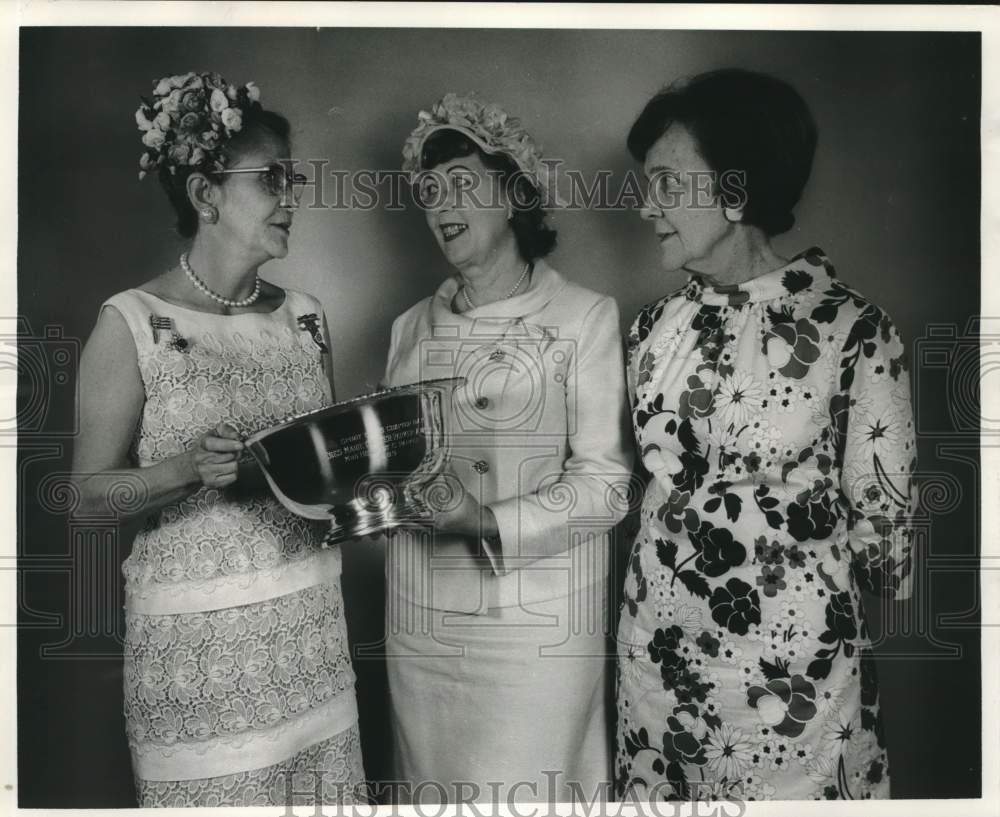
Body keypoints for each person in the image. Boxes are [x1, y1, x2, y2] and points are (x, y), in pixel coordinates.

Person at [615, 69, 917, 801]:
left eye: (666, 182)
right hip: (659, 678)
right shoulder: (651, 327)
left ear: (736, 189)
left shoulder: (855, 332)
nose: (646, 205)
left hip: (796, 695)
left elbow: (887, 553)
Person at [72, 71, 366, 807]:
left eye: (291, 179)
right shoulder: (131, 321)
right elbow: (85, 500)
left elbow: (320, 488)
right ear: (206, 195)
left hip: (313, 648)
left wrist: (365, 479)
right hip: (203, 671)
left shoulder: (306, 316)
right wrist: (180, 469)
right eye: (271, 179)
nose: (292, 197)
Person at [381, 93, 634, 803]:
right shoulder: (407, 328)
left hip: (535, 634)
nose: (441, 204)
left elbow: (606, 483)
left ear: (515, 193)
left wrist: (487, 521)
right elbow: (393, 470)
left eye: (462, 181)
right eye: (430, 191)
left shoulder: (583, 316)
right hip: (424, 628)